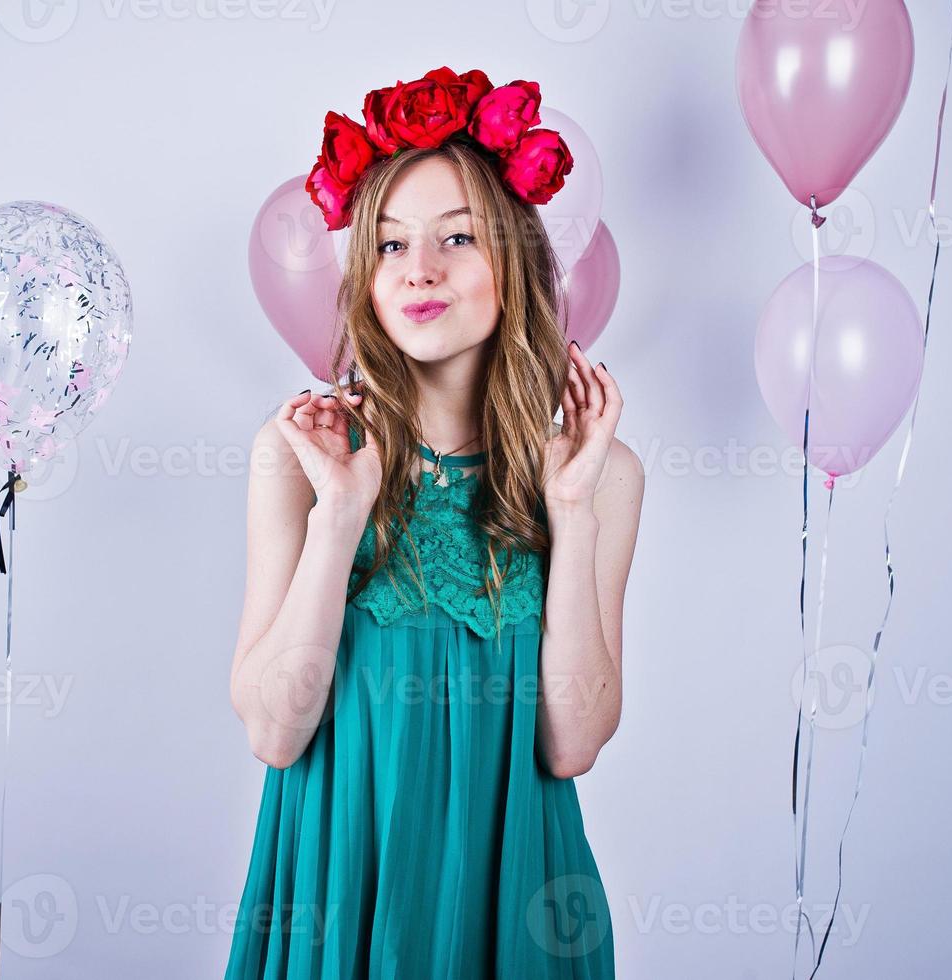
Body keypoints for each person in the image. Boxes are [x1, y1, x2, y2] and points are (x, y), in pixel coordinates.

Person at [225, 67, 644, 978]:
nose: (418, 268)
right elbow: (274, 733)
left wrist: (567, 516)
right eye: (388, 245)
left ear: (513, 264)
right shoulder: (297, 456)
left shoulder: (600, 476)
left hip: (517, 905)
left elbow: (570, 743)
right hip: (339, 896)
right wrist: (340, 519)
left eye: (456, 238)